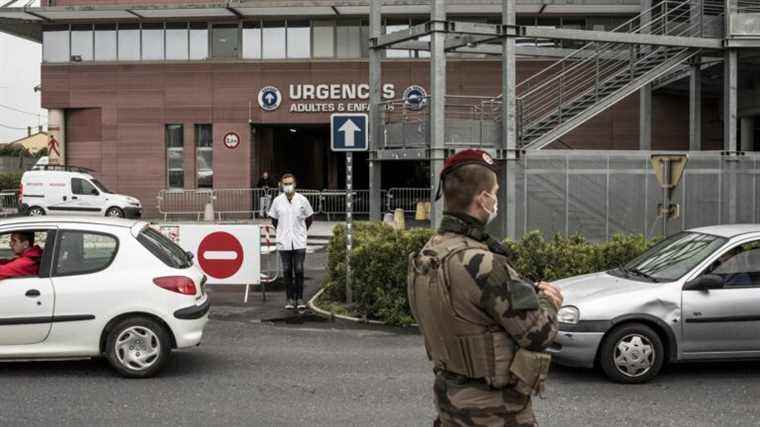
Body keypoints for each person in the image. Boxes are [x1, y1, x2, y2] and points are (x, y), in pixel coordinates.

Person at [407, 149, 563, 426]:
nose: (497, 199)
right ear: (483, 199)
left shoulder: (429, 253)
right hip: (495, 412)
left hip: (449, 402)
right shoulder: (483, 263)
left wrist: (523, 288)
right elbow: (538, 335)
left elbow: (465, 308)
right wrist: (549, 301)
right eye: (495, 192)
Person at [268, 173, 314, 310]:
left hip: (299, 241)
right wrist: (282, 231)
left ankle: (299, 298)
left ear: (295, 184)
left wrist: (302, 231)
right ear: (282, 185)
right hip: (284, 241)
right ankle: (289, 299)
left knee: (299, 269)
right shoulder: (277, 201)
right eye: (285, 184)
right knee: (287, 270)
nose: (288, 186)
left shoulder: (302, 200)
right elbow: (274, 220)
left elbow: (309, 218)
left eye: (290, 183)